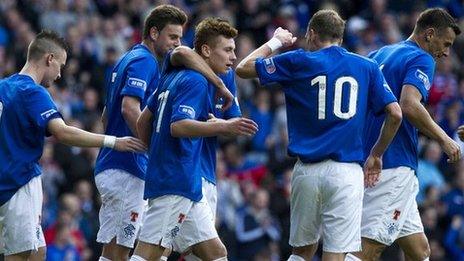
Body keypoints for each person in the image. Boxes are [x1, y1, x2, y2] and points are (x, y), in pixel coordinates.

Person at [236, 10, 402, 261]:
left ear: (312, 33)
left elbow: (242, 68)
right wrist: (376, 154)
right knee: (335, 253)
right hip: (347, 173)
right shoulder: (366, 66)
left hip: (307, 170)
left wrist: (276, 42)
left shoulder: (298, 61)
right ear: (340, 38)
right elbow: (396, 114)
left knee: (301, 252)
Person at [93, 5, 234, 261]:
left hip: (120, 164)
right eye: (173, 37)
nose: (177, 44)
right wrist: (153, 147)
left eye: (180, 38)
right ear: (154, 33)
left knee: (213, 253)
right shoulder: (147, 61)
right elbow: (129, 108)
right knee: (128, 252)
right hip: (132, 166)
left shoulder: (129, 59)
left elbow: (106, 115)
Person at [0, 30, 146, 261]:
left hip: (5, 183)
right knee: (20, 255)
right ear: (49, 59)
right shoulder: (33, 92)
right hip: (18, 183)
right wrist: (113, 141)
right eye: (61, 65)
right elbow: (63, 132)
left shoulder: (3, 87)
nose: (59, 74)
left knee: (38, 252)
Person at [133, 17, 257, 261]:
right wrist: (220, 124)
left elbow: (141, 122)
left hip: (185, 180)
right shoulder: (195, 80)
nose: (233, 57)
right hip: (176, 177)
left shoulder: (170, 76)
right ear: (207, 50)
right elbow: (178, 126)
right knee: (151, 253)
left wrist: (157, 153)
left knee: (215, 254)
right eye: (228, 50)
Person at [348, 8, 462, 261]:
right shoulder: (423, 58)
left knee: (419, 251)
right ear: (429, 34)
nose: (446, 52)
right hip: (393, 166)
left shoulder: (380, 54)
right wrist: (444, 139)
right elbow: (409, 105)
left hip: (369, 159)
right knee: (367, 249)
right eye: (446, 44)